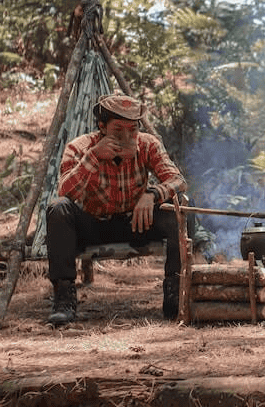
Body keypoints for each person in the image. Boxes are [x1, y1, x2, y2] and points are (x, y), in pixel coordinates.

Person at [45, 93, 189, 325]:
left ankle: (175, 294)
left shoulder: (147, 143)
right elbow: (65, 191)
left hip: (136, 222)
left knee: (180, 206)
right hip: (93, 224)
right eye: (118, 130)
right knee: (58, 209)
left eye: (132, 130)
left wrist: (152, 195)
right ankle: (64, 300)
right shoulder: (80, 148)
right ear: (101, 127)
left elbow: (178, 180)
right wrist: (93, 158)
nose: (127, 137)